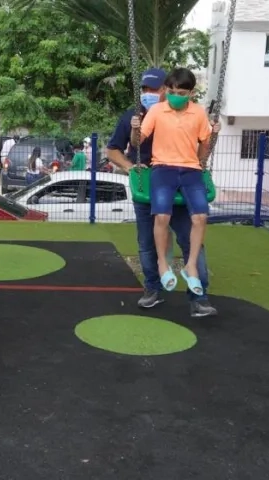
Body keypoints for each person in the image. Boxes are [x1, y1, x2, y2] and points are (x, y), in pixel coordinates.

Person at [106, 67, 218, 317]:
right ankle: (152, 289)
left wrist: (204, 153)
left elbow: (203, 144)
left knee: (191, 239)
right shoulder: (132, 116)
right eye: (145, 89)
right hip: (150, 182)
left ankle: (199, 298)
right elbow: (113, 150)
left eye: (153, 89)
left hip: (183, 175)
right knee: (147, 242)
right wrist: (131, 167)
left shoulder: (193, 113)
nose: (149, 94)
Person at [129, 67, 213, 297]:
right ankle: (162, 265)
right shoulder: (156, 111)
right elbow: (137, 142)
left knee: (200, 217)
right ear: (167, 89)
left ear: (191, 93)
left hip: (191, 169)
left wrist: (206, 151)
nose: (176, 95)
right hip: (162, 168)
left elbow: (205, 143)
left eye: (182, 93)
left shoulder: (198, 113)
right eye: (172, 91)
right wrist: (134, 129)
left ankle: (191, 266)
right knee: (162, 216)